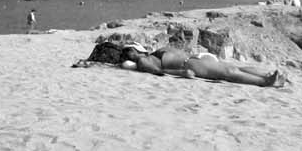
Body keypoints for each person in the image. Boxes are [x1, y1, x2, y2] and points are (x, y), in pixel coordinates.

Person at [119, 45, 285, 87]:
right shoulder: (143, 62)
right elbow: (159, 71)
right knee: (229, 72)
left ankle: (267, 76)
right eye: (129, 53)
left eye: (132, 50)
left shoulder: (150, 53)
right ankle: (265, 82)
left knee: (235, 67)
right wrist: (181, 72)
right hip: (189, 64)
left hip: (195, 57)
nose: (132, 53)